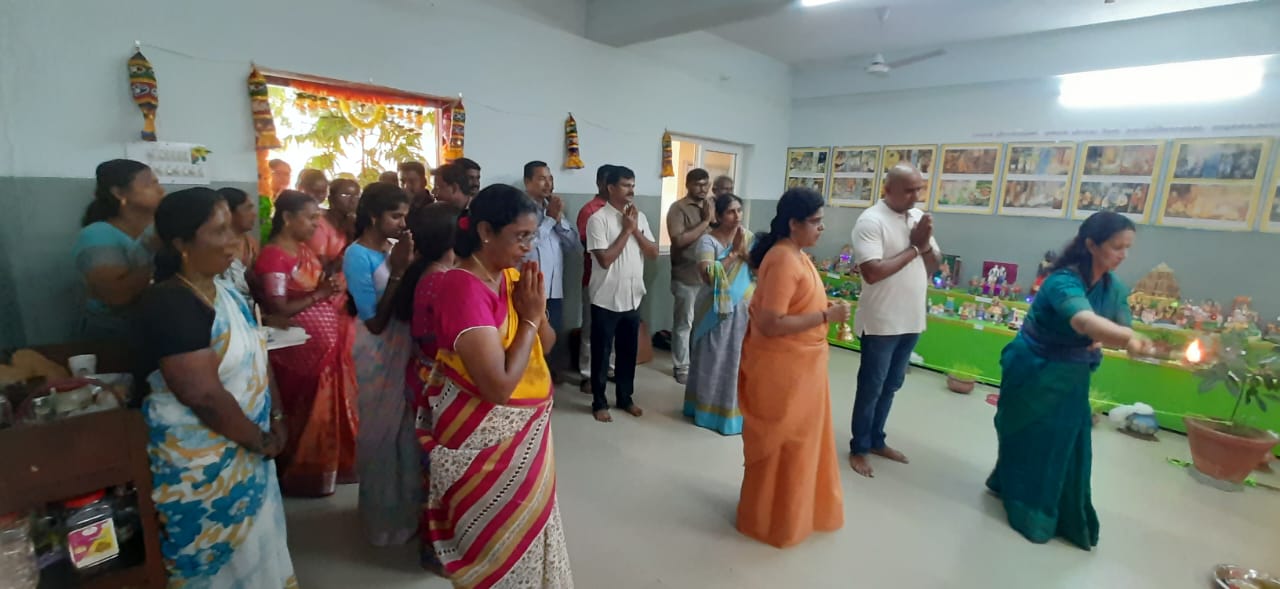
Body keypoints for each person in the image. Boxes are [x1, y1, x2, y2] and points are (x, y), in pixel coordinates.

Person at [136, 187, 297, 586]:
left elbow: (257, 353)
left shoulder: (225, 292)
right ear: (181, 243)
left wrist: (276, 416)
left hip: (249, 445)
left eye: (232, 229)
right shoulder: (171, 303)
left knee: (257, 552)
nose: (233, 241)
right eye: (219, 231)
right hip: (204, 463)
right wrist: (260, 441)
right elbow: (203, 396)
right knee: (214, 568)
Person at [419, 184, 573, 587]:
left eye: (532, 236)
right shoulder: (461, 287)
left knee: (530, 531)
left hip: (528, 437)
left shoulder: (510, 277)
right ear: (486, 231)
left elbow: (546, 345)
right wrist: (529, 318)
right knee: (497, 547)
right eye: (520, 236)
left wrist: (535, 313)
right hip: (486, 440)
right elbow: (499, 388)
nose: (528, 247)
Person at [988, 211, 1153, 550]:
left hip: (1071, 377)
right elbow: (1083, 321)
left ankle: (1049, 510)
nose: (1123, 255)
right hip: (1033, 371)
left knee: (1061, 444)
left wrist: (1125, 339)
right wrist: (1123, 338)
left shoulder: (1114, 288)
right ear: (1091, 244)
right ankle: (1023, 503)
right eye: (1117, 247)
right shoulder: (1061, 281)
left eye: (1128, 248)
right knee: (1023, 435)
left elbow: (1119, 325)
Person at [736, 187, 847, 548]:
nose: (821, 228)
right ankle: (770, 522)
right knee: (787, 445)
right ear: (793, 223)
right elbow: (771, 324)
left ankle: (792, 516)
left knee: (801, 445)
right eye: (815, 222)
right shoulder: (784, 259)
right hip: (783, 372)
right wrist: (825, 316)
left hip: (803, 369)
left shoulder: (797, 254)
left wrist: (820, 310)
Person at [252, 191, 359, 497]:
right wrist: (320, 294)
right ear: (287, 218)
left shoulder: (301, 250)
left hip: (322, 349)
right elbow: (278, 308)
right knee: (306, 415)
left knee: (324, 415)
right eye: (310, 218)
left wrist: (330, 284)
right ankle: (301, 476)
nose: (315, 224)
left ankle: (325, 472)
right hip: (298, 353)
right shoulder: (274, 256)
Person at [848, 163, 942, 478]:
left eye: (919, 189)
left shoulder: (918, 218)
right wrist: (915, 247)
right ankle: (859, 448)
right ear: (888, 190)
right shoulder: (871, 220)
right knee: (871, 387)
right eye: (909, 190)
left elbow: (934, 266)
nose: (916, 196)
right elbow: (872, 272)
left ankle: (877, 440)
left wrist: (925, 245)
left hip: (911, 319)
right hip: (881, 321)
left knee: (891, 385)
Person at [342, 183, 420, 546]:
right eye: (395, 216)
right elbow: (373, 321)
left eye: (405, 216)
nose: (402, 223)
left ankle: (405, 512)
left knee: (404, 434)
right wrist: (399, 270)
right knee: (379, 434)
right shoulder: (357, 255)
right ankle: (379, 519)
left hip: (402, 347)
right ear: (373, 217)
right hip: (375, 351)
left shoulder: (392, 248)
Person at [395, 202, 459, 573]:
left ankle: (437, 544)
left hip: (427, 380)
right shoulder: (440, 280)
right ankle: (434, 549)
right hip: (435, 386)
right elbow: (440, 343)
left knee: (435, 467)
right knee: (437, 470)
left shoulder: (433, 273)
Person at [586, 166, 659, 422]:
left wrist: (635, 228)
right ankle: (599, 402)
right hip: (605, 298)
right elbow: (605, 259)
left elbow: (653, 253)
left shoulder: (640, 217)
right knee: (601, 353)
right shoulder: (598, 219)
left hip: (632, 296)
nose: (631, 190)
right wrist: (626, 231)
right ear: (611, 188)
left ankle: (625, 398)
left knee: (628, 352)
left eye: (633, 185)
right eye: (626, 185)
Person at [73, 159, 164, 341]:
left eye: (157, 183)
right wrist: (163, 257)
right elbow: (115, 296)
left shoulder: (154, 230)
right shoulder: (97, 234)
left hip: (153, 327)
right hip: (113, 334)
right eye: (150, 185)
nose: (161, 190)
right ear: (119, 193)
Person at [684, 193, 752, 435]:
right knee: (713, 358)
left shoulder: (748, 237)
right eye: (731, 212)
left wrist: (744, 252)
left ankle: (732, 412)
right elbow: (707, 276)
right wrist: (734, 253)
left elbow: (757, 268)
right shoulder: (707, 241)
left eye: (739, 211)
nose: (737, 216)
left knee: (736, 359)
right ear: (720, 216)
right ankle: (706, 410)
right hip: (713, 311)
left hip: (742, 311)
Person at [666, 168, 713, 384]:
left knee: (704, 323)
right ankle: (681, 366)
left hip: (709, 276)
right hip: (686, 275)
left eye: (706, 184)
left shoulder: (711, 205)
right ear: (688, 185)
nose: (703, 189)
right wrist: (705, 222)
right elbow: (678, 241)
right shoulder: (678, 208)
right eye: (698, 184)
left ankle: (699, 362)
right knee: (684, 323)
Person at [522, 160, 579, 336]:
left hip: (554, 290)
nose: (548, 184)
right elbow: (525, 246)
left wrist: (558, 219)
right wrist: (549, 220)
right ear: (527, 182)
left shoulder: (552, 209)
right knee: (532, 339)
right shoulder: (521, 210)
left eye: (550, 179)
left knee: (552, 339)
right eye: (542, 179)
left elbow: (573, 244)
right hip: (530, 289)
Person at [576, 164, 615, 392]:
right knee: (591, 328)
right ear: (600, 183)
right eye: (609, 183)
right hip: (595, 278)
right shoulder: (589, 210)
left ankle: (608, 368)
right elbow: (587, 244)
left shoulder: (622, 210)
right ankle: (587, 374)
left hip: (618, 279)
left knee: (613, 328)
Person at [216, 187, 260, 299]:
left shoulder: (251, 244)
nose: (254, 214)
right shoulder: (215, 247)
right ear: (228, 212)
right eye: (248, 208)